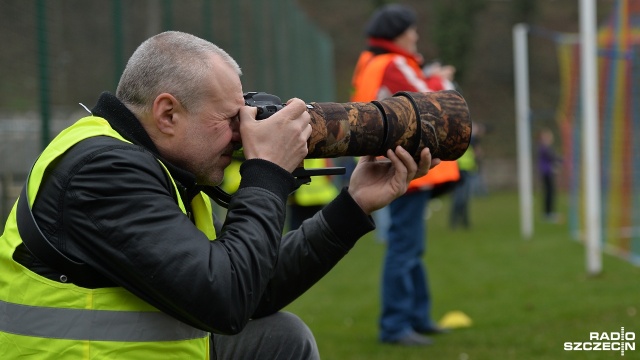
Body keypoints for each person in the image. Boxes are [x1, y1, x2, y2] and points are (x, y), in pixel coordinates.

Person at [0, 31, 437, 359]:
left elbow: (252, 290)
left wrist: (352, 204)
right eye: (230, 119)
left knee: (282, 337)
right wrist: (266, 172)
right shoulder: (103, 172)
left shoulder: (166, 170)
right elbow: (226, 299)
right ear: (167, 113)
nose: (240, 134)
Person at [351, 4, 460, 346]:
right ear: (399, 33)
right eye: (411, 30)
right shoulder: (394, 63)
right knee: (404, 247)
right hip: (406, 167)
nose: (416, 35)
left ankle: (416, 317)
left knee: (409, 246)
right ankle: (396, 325)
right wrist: (441, 77)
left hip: (391, 163)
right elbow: (431, 102)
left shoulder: (370, 62)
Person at [287, 158, 340, 230]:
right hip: (319, 197)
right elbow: (330, 175)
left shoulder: (297, 153)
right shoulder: (323, 152)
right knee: (317, 230)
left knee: (296, 231)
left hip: (300, 198)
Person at [537, 127, 562, 222]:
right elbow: (552, 157)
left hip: (548, 172)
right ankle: (548, 213)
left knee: (550, 192)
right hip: (546, 172)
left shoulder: (545, 148)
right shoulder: (544, 148)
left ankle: (549, 212)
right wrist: (562, 160)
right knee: (549, 193)